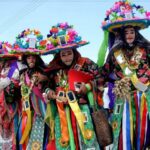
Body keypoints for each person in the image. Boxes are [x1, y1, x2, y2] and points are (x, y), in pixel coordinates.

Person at [42, 22, 108, 150]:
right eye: (63, 55)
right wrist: (49, 92)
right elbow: (46, 86)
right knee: (64, 143)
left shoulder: (85, 63)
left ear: (74, 52)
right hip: (62, 113)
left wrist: (88, 87)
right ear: (58, 56)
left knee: (88, 140)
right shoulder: (53, 69)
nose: (67, 58)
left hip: (83, 110)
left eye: (69, 53)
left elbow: (101, 78)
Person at [97, 0, 150, 149]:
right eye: (126, 32)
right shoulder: (115, 53)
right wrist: (104, 86)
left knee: (143, 130)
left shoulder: (145, 49)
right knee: (124, 132)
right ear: (121, 34)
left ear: (136, 33)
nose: (129, 35)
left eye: (132, 32)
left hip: (144, 95)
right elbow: (104, 72)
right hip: (124, 96)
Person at [12, 29, 49, 150]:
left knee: (41, 138)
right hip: (26, 110)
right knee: (22, 135)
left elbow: (50, 81)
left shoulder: (44, 70)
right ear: (25, 59)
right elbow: (18, 90)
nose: (31, 60)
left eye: (34, 57)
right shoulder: (22, 73)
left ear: (37, 58)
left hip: (40, 110)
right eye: (28, 58)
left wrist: (43, 78)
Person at [0, 41, 26, 150]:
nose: (4, 62)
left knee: (14, 129)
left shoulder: (17, 68)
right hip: (2, 106)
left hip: (14, 105)